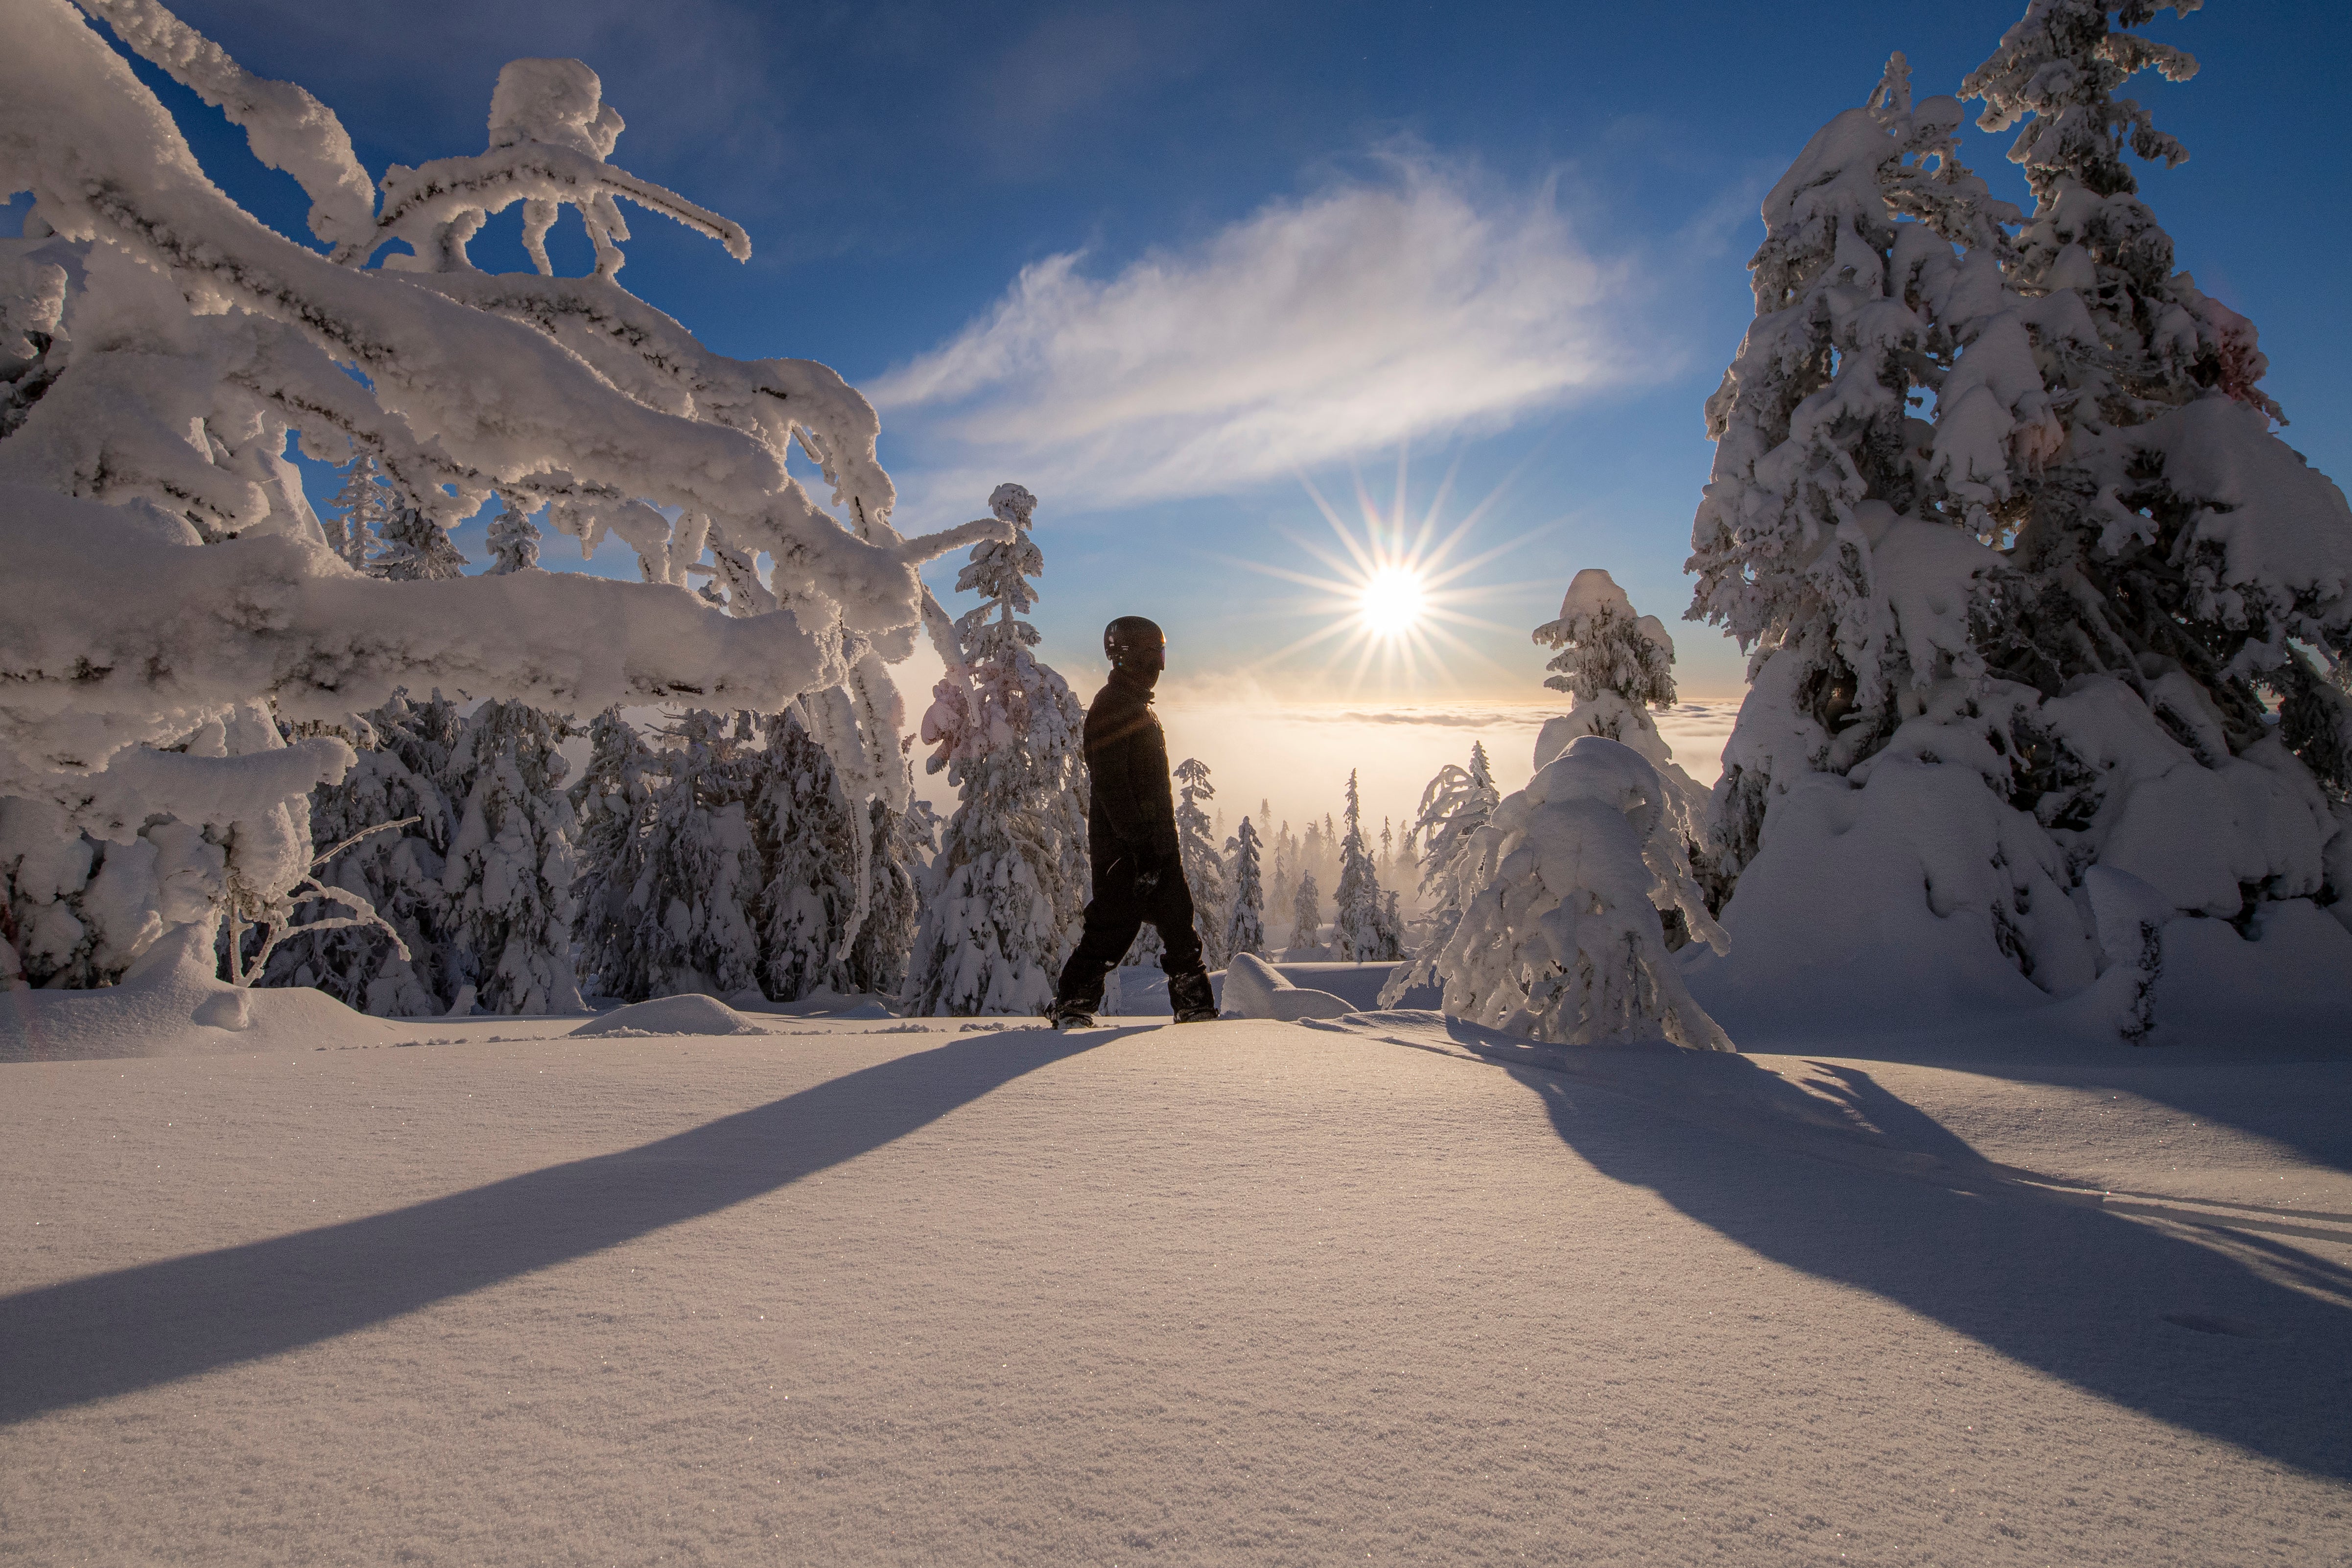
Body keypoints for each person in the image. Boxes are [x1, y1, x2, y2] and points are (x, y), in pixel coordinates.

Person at [1050, 616, 1220, 1029]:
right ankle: (1072, 1006)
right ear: (1134, 658)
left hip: (1153, 848)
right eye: (1155, 657)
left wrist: (1158, 848)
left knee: (1179, 923)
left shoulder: (1135, 706)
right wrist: (1140, 848)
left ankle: (1196, 1010)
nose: (1160, 667)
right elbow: (1112, 788)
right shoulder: (1113, 708)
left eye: (1161, 656)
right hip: (1124, 854)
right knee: (1112, 928)